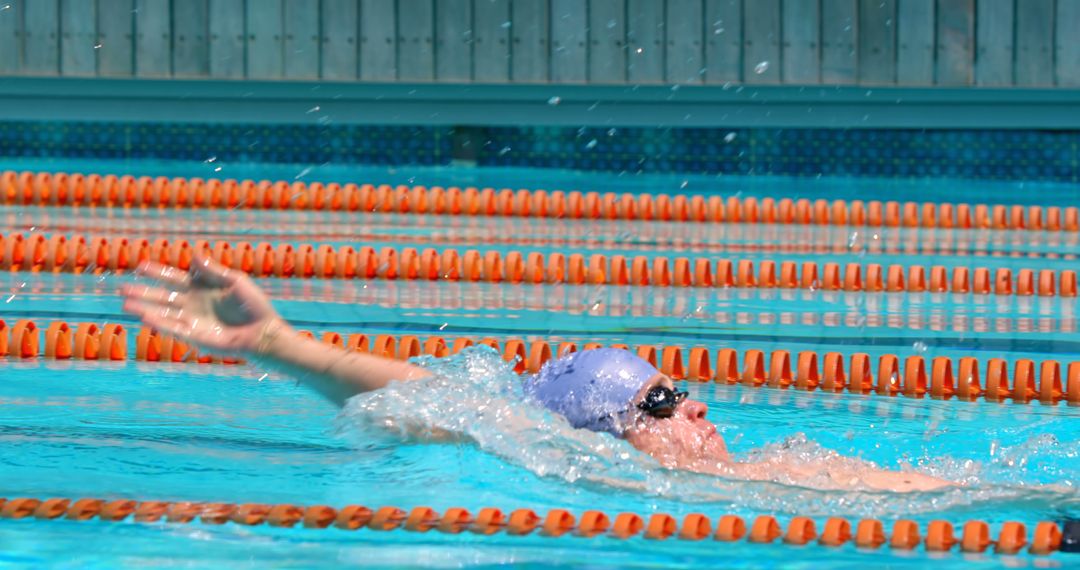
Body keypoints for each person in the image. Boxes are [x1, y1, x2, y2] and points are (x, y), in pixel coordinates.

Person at [120, 255, 954, 493]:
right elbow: (428, 397)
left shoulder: (784, 471)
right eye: (659, 399)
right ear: (608, 436)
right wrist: (276, 345)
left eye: (682, 388)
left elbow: (937, 494)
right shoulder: (583, 474)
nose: (696, 404)